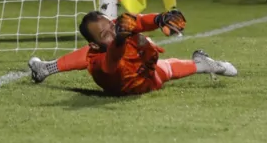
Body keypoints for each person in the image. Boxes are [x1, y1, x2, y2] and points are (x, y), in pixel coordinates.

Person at [28, 11, 236, 94]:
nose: (112, 30)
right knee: (153, 55)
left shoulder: (112, 37)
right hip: (137, 80)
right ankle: (202, 64)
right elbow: (113, 58)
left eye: (111, 25)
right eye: (105, 33)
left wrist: (159, 19)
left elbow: (138, 21)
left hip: (144, 77)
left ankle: (46, 68)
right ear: (95, 42)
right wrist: (120, 37)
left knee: (135, 37)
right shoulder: (101, 61)